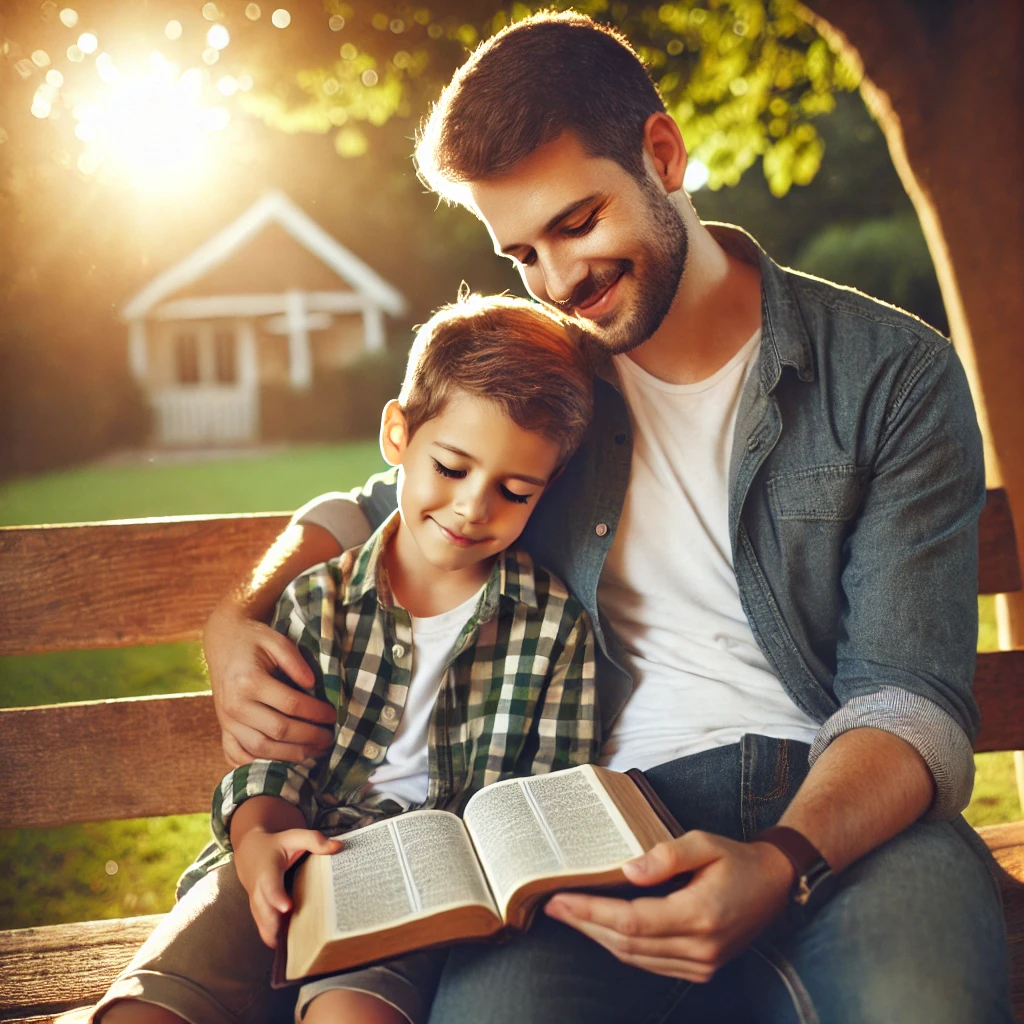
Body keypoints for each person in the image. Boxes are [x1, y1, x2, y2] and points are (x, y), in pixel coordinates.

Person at [205, 12, 1013, 1023]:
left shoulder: (888, 373)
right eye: (521, 254)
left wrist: (780, 860)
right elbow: (372, 503)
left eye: (577, 222)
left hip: (843, 818)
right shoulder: (550, 385)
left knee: (922, 1006)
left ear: (663, 155)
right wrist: (238, 614)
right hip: (582, 823)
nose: (558, 282)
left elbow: (908, 697)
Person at [83, 294, 600, 1024]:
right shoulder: (318, 600)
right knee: (148, 1011)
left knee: (352, 1015)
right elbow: (270, 762)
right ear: (398, 434)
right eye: (450, 468)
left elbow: (544, 797)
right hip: (285, 845)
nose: (472, 509)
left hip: (423, 882)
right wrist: (257, 836)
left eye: (514, 492)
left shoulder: (554, 629)